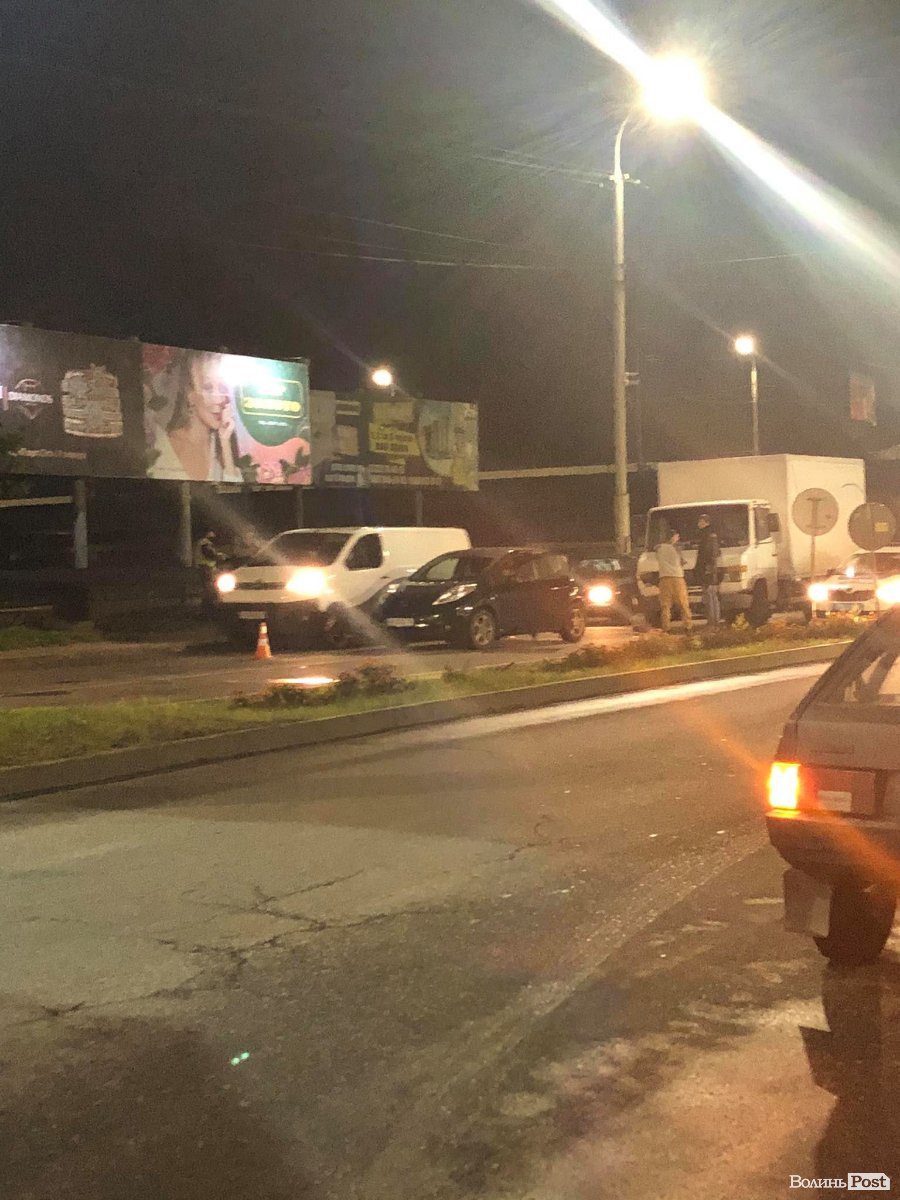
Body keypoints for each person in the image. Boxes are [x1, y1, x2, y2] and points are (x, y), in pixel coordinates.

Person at [656, 529, 692, 633]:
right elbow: (683, 562)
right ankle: (687, 626)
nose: (678, 538)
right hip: (677, 578)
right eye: (677, 536)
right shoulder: (677, 549)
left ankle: (666, 627)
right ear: (672, 537)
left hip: (664, 578)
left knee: (665, 605)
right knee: (683, 604)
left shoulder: (659, 548)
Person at [694, 513, 721, 627]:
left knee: (710, 595)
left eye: (700, 522)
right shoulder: (711, 535)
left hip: (707, 570)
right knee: (711, 595)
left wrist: (706, 569)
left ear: (706, 522)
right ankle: (714, 620)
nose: (698, 524)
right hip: (709, 569)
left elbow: (707, 554)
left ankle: (713, 621)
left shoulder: (707, 535)